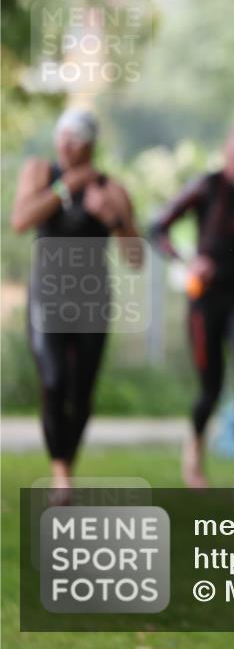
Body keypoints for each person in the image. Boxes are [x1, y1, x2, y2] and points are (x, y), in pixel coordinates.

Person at [11, 109, 144, 500]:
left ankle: (66, 463)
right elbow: (20, 220)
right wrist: (66, 187)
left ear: (90, 144)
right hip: (48, 298)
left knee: (80, 393)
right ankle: (61, 476)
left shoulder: (112, 188)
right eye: (61, 137)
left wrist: (115, 219)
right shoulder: (41, 173)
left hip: (92, 301)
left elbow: (136, 257)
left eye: (74, 138)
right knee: (52, 382)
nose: (65, 145)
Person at [150, 125, 234, 498]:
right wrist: (186, 262)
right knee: (209, 389)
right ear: (225, 154)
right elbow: (157, 227)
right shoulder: (207, 186)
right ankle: (193, 453)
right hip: (205, 300)